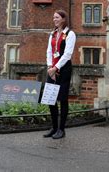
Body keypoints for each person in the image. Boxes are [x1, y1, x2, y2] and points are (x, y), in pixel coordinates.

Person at [43, 10, 76, 139]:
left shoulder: (70, 34)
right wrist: (50, 66)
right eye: (53, 17)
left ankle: (61, 130)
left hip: (64, 69)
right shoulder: (53, 34)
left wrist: (56, 67)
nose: (54, 19)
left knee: (62, 99)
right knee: (50, 100)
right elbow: (49, 51)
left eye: (56, 17)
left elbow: (68, 54)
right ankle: (54, 127)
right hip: (52, 69)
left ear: (63, 19)